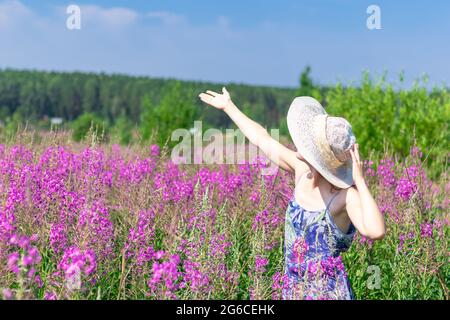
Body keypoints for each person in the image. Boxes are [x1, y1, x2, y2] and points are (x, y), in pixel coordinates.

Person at [199, 88, 386, 300]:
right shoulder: (302, 171)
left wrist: (359, 181)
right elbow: (263, 139)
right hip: (294, 290)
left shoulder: (344, 196)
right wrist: (228, 107)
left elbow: (375, 231)